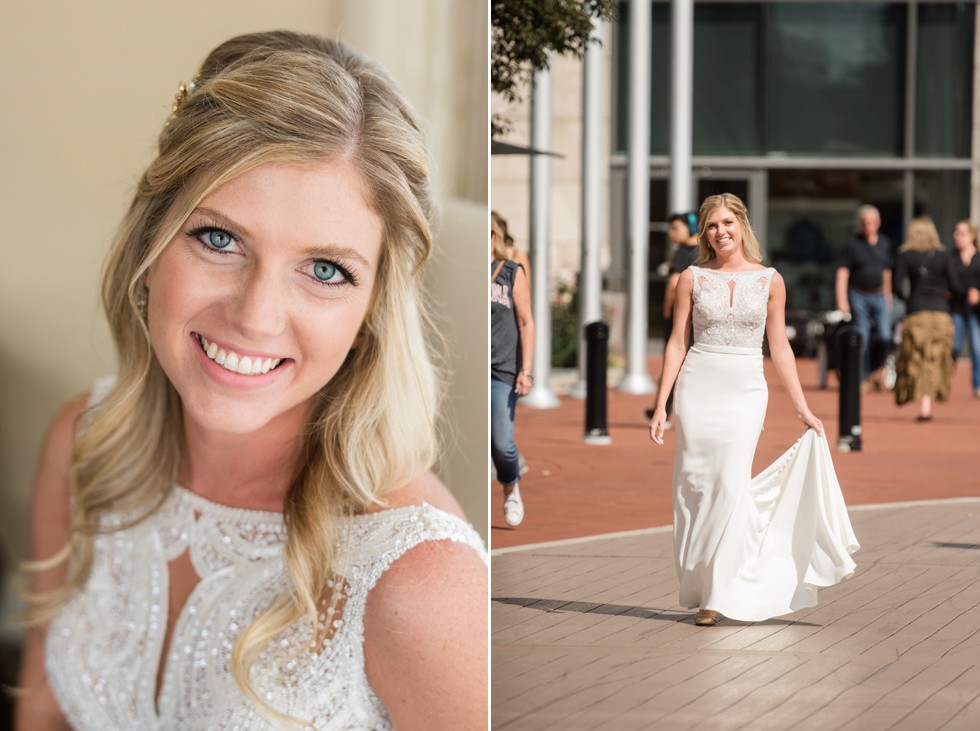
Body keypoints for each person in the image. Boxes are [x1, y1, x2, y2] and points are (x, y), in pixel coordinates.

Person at [15, 31, 487, 730]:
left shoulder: (421, 581)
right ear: (152, 239)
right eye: (219, 238)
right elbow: (44, 707)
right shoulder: (85, 447)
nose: (256, 317)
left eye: (326, 269)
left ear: (372, 310)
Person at [649, 193, 858, 627]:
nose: (720, 232)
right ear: (704, 233)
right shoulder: (691, 277)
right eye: (711, 226)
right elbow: (676, 343)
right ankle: (702, 582)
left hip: (745, 388)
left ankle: (718, 593)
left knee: (728, 483)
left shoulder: (770, 280)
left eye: (727, 222)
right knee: (695, 485)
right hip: (698, 385)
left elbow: (779, 346)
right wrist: (661, 405)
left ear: (742, 225)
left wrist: (802, 407)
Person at [893, 216, 965, 422]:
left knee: (916, 358)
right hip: (941, 314)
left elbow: (897, 287)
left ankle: (917, 400)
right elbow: (956, 286)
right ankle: (927, 404)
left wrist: (909, 298)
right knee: (935, 359)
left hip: (917, 312)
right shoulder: (943, 256)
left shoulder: (905, 255)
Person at [491, 212, 535, 528]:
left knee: (502, 443)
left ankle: (511, 485)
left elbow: (526, 321)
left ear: (494, 238)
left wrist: (527, 370)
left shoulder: (510, 272)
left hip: (502, 369)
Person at [645, 211, 700, 423]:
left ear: (691, 228)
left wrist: (668, 311)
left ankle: (663, 410)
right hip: (698, 317)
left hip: (680, 316)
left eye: (676, 228)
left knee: (673, 361)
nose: (671, 233)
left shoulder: (682, 252)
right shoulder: (704, 251)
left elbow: (673, 284)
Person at [835, 204, 894, 390]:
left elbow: (886, 273)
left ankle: (877, 369)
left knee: (885, 335)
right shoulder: (852, 245)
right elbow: (842, 273)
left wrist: (888, 295)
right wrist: (842, 300)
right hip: (858, 294)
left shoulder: (884, 243)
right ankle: (863, 377)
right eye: (864, 222)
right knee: (862, 336)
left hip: (879, 296)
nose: (868, 225)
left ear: (878, 223)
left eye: (871, 222)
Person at [949, 219, 980, 398]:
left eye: (961, 233)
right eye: (955, 232)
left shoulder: (978, 258)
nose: (957, 236)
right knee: (954, 346)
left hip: (976, 311)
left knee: (977, 348)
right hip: (957, 309)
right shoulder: (951, 258)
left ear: (971, 236)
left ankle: (978, 385)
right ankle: (945, 382)